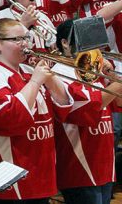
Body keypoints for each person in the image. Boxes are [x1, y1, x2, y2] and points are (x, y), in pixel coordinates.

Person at [0, 18, 73, 203]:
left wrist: (50, 80)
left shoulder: (28, 70)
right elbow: (9, 119)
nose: (25, 44)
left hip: (41, 174)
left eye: (26, 38)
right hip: (9, 180)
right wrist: (35, 82)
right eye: (17, 39)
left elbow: (65, 108)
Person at [52, 19, 122, 204]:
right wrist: (117, 85)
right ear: (65, 43)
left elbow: (118, 103)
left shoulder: (90, 68)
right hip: (79, 165)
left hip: (104, 161)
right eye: (83, 40)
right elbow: (90, 106)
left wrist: (111, 76)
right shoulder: (60, 71)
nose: (91, 48)